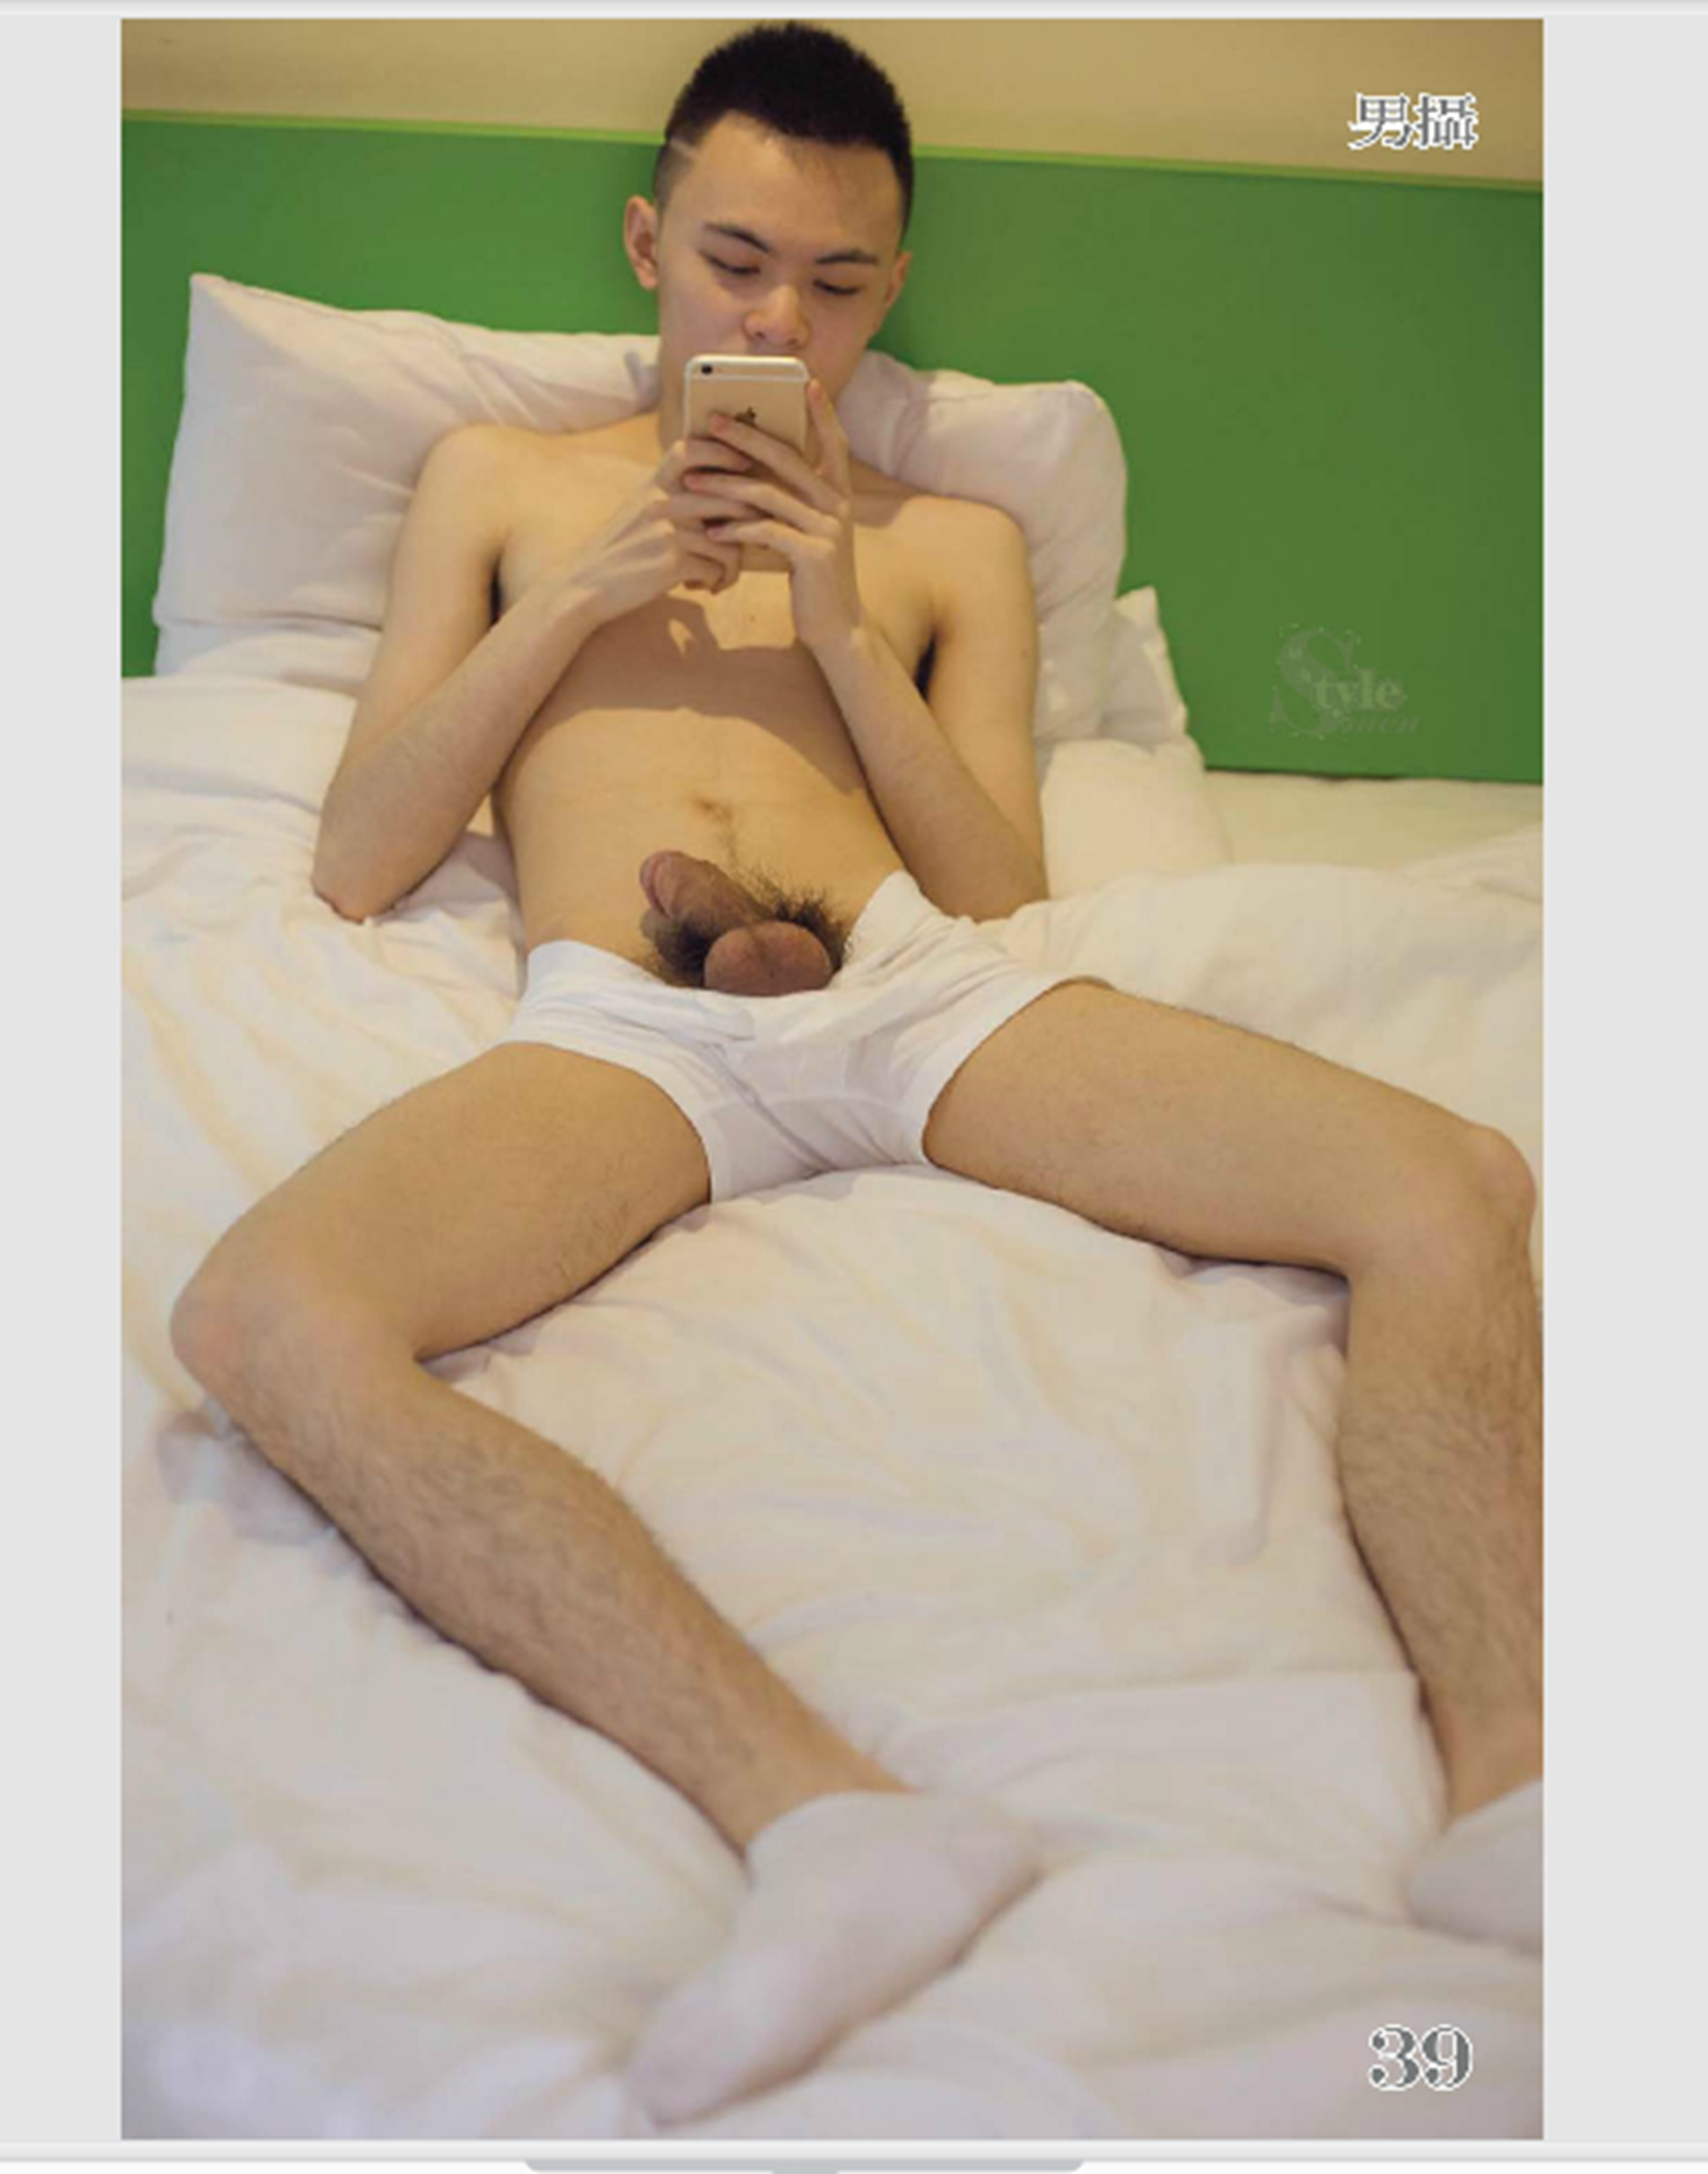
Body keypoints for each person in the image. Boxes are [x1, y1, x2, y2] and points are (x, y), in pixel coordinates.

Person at [169, 20, 1544, 2130]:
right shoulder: (501, 487)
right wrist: (580, 600)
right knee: (265, 1316)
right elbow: (359, 860)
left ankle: (1519, 1788)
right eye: (734, 263)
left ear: (888, 287)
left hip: (910, 990)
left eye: (832, 284)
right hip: (628, 1024)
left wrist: (832, 619)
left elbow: (999, 890)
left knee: (1450, 1182)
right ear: (649, 245)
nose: (776, 325)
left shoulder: (947, 543)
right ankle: (827, 1820)